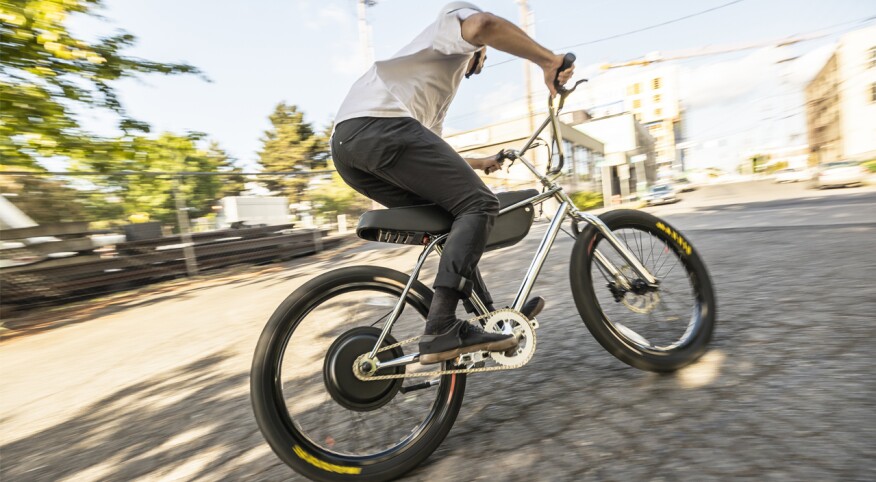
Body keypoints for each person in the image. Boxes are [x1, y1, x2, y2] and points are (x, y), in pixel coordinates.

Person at [330, 1, 574, 364]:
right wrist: (547, 60)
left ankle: (485, 319)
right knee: (480, 205)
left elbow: (434, 152)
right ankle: (441, 325)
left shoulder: (436, 89)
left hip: (350, 147)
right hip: (379, 126)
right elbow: (483, 25)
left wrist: (481, 163)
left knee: (452, 217)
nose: (484, 59)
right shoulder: (451, 30)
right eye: (484, 55)